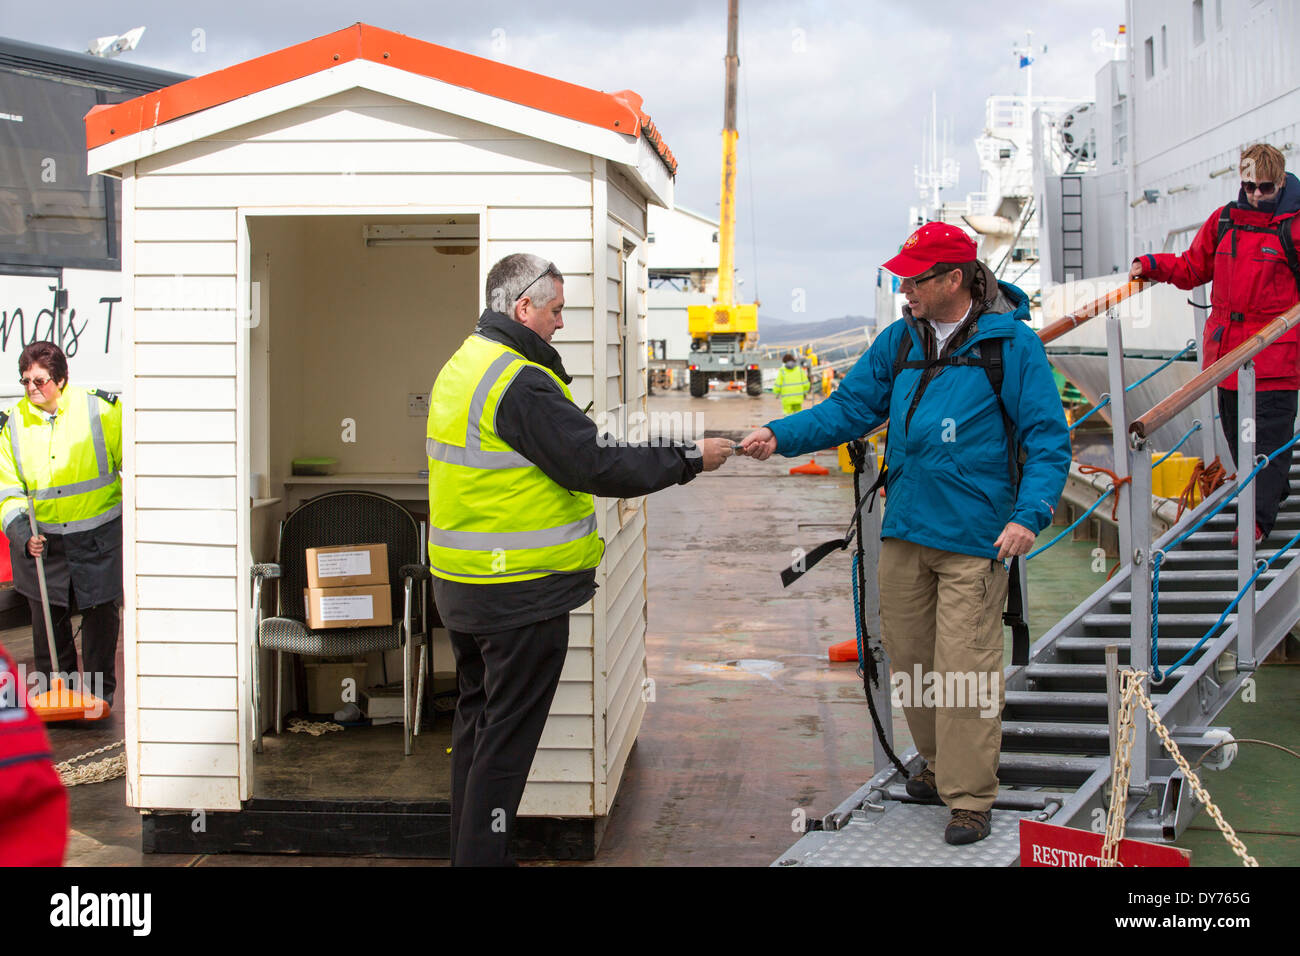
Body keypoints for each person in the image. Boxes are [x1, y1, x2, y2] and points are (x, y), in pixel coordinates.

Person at [740, 223, 1070, 845]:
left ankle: (970, 798)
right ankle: (941, 767)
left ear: (954, 279)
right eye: (902, 277)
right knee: (913, 661)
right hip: (907, 531)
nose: (904, 288)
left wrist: (1029, 515)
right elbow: (847, 411)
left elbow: (1047, 439)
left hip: (977, 540)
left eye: (916, 278)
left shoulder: (1013, 346)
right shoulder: (899, 342)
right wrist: (779, 436)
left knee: (963, 669)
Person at [427, 253, 734, 866]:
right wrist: (689, 459)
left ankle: (471, 855)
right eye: (557, 311)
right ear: (523, 309)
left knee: (479, 729)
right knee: (505, 745)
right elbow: (596, 463)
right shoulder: (520, 382)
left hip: (464, 588)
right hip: (520, 593)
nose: (562, 323)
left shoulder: (464, 364)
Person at [1130, 143, 1300, 545]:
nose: (1256, 195)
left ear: (1280, 183)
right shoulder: (1224, 220)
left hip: (1275, 354)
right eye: (1249, 187)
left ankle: (1255, 525)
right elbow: (1192, 267)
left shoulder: (1295, 226)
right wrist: (1153, 264)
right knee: (1240, 441)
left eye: (1265, 188)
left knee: (1268, 440)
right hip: (1224, 357)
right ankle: (1270, 492)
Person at [0, 342, 122, 712]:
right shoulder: (12, 423)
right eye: (25, 381)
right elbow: (7, 490)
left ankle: (98, 699)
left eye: (40, 380)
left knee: (100, 617)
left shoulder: (99, 410)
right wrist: (22, 534)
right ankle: (61, 700)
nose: (32, 388)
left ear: (62, 379)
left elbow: (134, 462)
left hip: (97, 537)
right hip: (43, 542)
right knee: (48, 622)